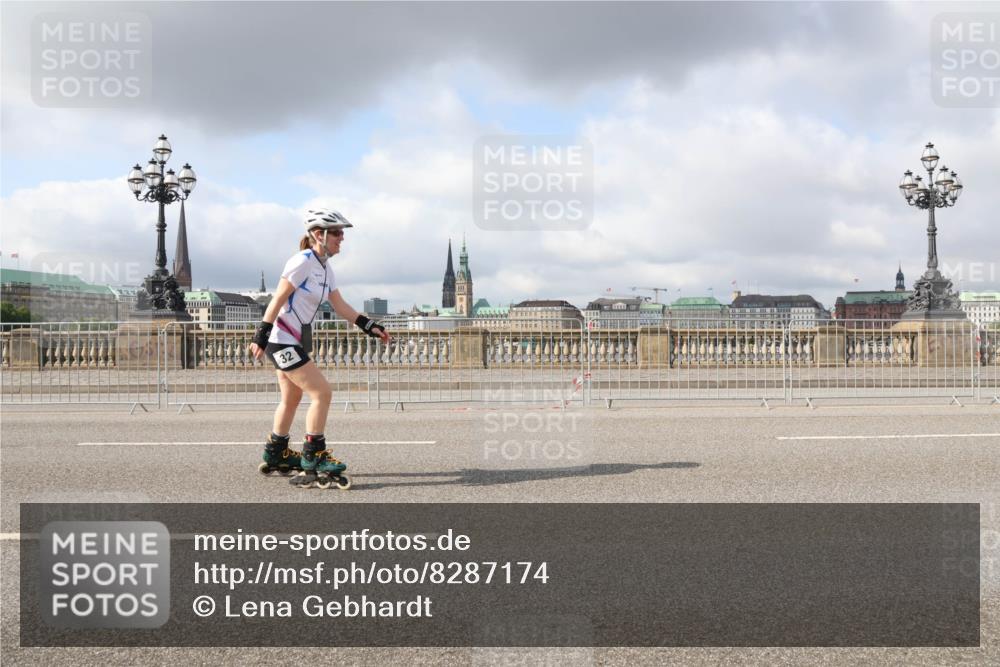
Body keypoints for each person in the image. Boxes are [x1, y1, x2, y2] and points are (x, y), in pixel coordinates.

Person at [250, 208, 390, 489]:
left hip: (292, 340)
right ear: (319, 235)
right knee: (322, 392)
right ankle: (313, 456)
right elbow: (278, 298)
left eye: (342, 233)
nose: (341, 238)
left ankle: (277, 452)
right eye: (337, 232)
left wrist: (367, 324)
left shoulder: (326, 269)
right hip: (280, 339)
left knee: (291, 398)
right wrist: (261, 334)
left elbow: (340, 307)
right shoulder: (301, 261)